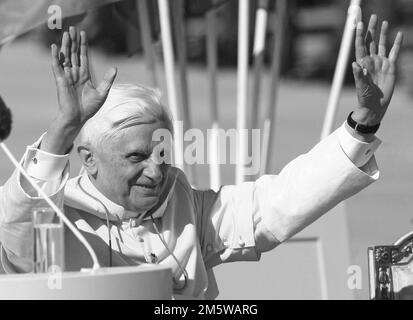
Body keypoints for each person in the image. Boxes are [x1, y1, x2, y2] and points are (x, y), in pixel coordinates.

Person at [0, 15, 403, 299]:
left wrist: (363, 123)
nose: (156, 169)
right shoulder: (50, 218)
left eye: (162, 151)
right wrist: (66, 127)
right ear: (87, 159)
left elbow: (280, 201)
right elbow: (14, 225)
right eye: (137, 156)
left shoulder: (186, 206)